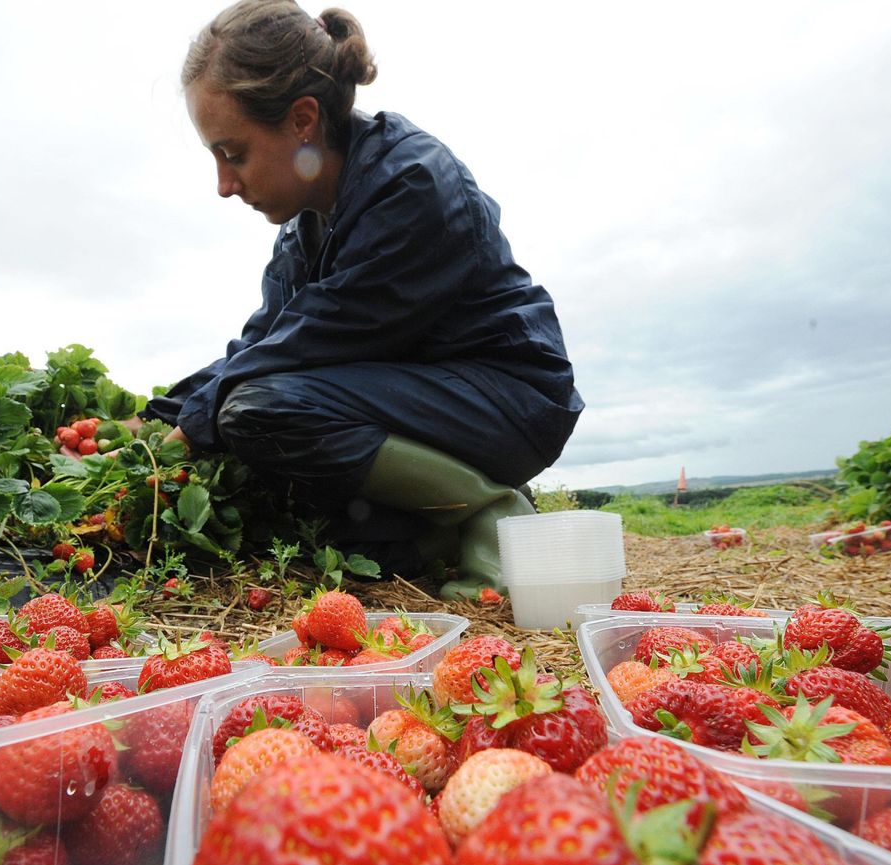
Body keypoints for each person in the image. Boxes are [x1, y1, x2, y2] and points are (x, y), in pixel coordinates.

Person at [140, 0, 582, 601]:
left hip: (506, 399)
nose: (224, 184)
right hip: (418, 395)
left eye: (233, 152)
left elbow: (307, 342)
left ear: (302, 120)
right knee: (310, 513)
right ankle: (429, 534)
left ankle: (489, 509)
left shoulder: (412, 185)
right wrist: (155, 418)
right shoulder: (304, 227)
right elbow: (263, 343)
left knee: (257, 412)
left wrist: (194, 425)